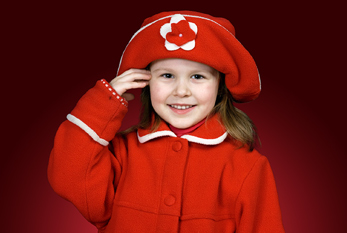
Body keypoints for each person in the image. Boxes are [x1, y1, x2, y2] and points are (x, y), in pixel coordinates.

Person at [48, 11, 285, 233]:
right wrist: (105, 100)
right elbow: (67, 177)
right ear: (145, 81)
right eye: (167, 75)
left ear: (220, 87)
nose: (181, 91)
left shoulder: (247, 166)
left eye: (198, 76)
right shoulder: (122, 153)